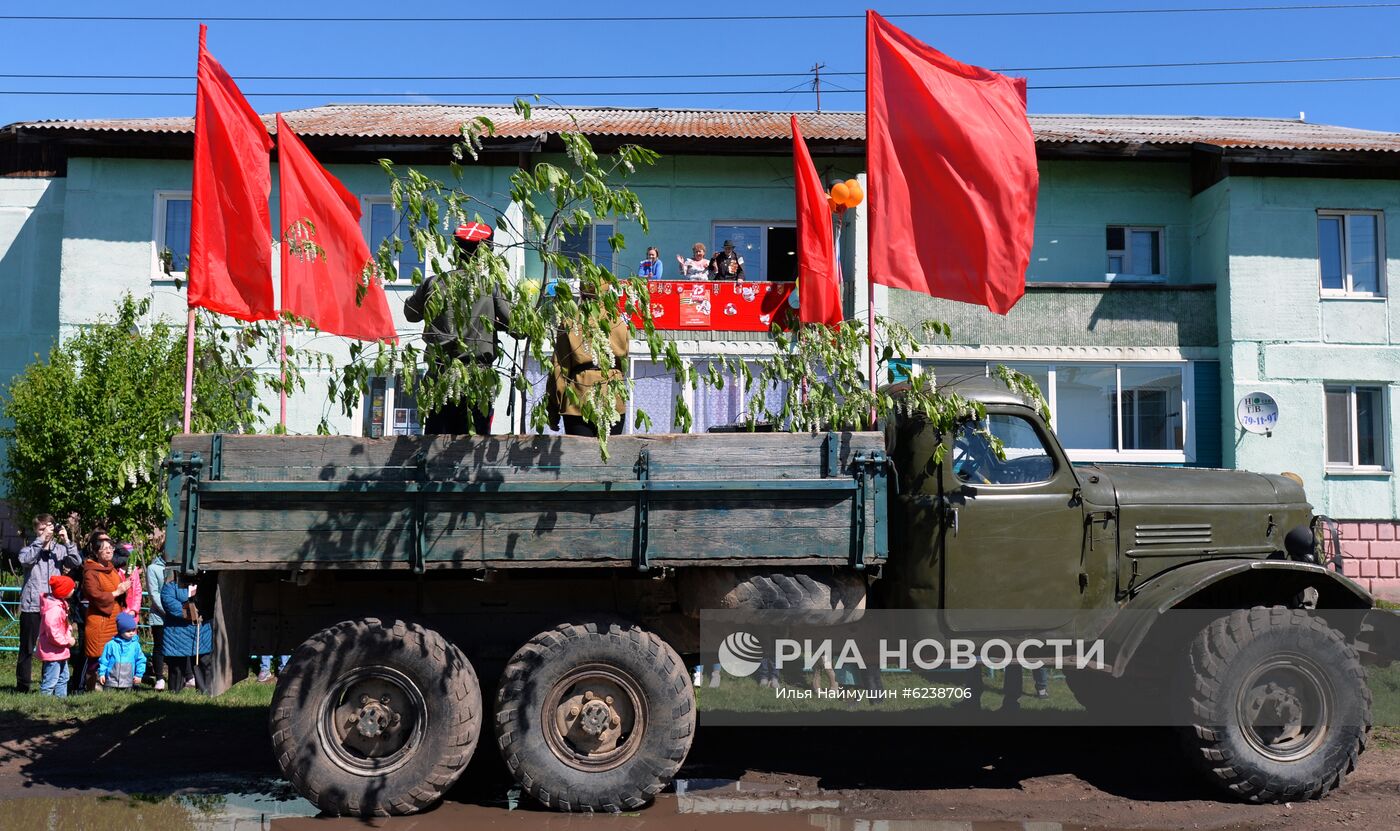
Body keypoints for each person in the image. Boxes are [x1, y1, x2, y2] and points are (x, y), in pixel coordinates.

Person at [403, 222, 514, 435]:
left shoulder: (434, 283)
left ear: (456, 250)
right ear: (487, 253)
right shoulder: (490, 286)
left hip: (439, 377)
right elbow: (518, 328)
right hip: (477, 380)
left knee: (436, 446)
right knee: (473, 447)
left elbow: (410, 314)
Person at [15, 513, 81, 692]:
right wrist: (41, 541)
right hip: (32, 604)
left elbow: (76, 562)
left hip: (53, 607)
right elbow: (25, 560)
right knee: (27, 647)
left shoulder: (58, 550)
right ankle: (23, 686)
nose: (45, 532)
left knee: (52, 646)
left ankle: (48, 685)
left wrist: (67, 540)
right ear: (36, 530)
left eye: (48, 528)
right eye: (41, 529)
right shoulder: (28, 549)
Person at [548, 312, 630, 437]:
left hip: (579, 396)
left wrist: (553, 411)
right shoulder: (618, 322)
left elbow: (559, 369)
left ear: (581, 292)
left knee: (580, 454)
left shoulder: (570, 323)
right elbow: (624, 363)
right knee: (611, 452)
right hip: (612, 393)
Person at [80, 532, 129, 691]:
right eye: (104, 549)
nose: (109, 551)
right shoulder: (90, 572)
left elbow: (119, 590)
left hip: (114, 619)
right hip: (99, 620)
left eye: (110, 548)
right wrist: (116, 593)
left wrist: (125, 588)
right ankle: (92, 688)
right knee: (97, 657)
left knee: (111, 656)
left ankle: (110, 687)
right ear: (96, 552)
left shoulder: (111, 568)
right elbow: (94, 595)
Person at [162, 573, 212, 692]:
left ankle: (205, 692)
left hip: (201, 630)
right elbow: (169, 603)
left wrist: (203, 610)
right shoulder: (171, 585)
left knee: (204, 663)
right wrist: (191, 612)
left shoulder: (205, 584)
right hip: (177, 632)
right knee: (177, 666)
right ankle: (175, 692)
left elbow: (211, 600)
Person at [36, 575, 77, 697]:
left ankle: (60, 701)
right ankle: (44, 703)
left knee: (63, 677)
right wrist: (67, 641)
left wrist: (68, 631)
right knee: (51, 680)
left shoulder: (60, 605)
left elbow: (62, 625)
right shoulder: (54, 610)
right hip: (53, 651)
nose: (73, 590)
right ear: (63, 592)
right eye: (71, 588)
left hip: (59, 651)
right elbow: (53, 633)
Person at [144, 531, 168, 690]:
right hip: (160, 615)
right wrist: (168, 610)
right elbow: (154, 593)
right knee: (159, 646)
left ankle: (185, 676)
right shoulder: (153, 568)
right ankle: (159, 677)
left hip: (177, 615)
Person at [97, 612, 146, 691]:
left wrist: (139, 675)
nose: (131, 633)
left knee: (126, 700)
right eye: (128, 631)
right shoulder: (111, 645)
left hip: (128, 682)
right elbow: (104, 660)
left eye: (133, 630)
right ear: (120, 631)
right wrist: (102, 673)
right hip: (111, 681)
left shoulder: (135, 645)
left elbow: (140, 660)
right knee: (109, 699)